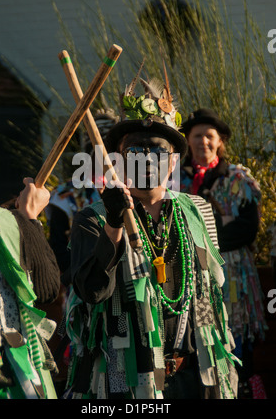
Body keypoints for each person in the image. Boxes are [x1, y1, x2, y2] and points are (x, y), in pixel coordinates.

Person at [65, 71, 239, 399]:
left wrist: (219, 380)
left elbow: (211, 297)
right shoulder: (92, 218)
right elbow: (92, 291)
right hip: (128, 383)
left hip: (196, 378)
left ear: (173, 161)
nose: (146, 159)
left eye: (157, 151)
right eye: (135, 151)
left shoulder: (199, 211)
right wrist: (115, 222)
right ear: (116, 159)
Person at [179, 108, 267, 395]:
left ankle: (242, 389)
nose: (203, 141)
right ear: (187, 140)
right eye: (197, 135)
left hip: (232, 273)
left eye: (209, 136)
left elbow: (247, 228)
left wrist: (206, 240)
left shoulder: (237, 179)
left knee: (236, 337)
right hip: (187, 274)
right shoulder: (174, 181)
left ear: (219, 141)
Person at [0, 119, 61, 399]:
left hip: (8, 379)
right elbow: (47, 290)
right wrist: (27, 218)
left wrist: (28, 220)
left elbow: (47, 290)